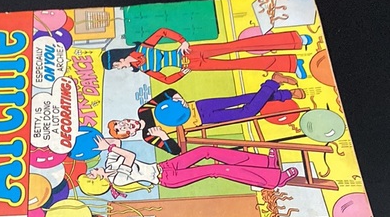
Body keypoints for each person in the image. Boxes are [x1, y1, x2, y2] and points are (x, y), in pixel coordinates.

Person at [107, 72, 305, 155]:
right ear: (130, 134)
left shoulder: (143, 110)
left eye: (122, 123)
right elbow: (176, 151)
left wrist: (177, 97)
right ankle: (276, 84)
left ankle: (285, 92)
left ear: (125, 119)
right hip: (204, 119)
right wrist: (164, 136)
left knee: (242, 99)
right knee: (248, 111)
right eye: (124, 130)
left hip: (200, 105)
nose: (126, 126)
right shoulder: (148, 136)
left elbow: (168, 93)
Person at [77, 137, 298, 198]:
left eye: (90, 171)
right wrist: (110, 148)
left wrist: (103, 144)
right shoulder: (118, 180)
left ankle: (265, 163)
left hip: (164, 166)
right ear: (99, 181)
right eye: (91, 174)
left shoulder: (109, 163)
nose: (92, 170)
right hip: (168, 178)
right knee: (214, 170)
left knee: (206, 151)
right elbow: (130, 155)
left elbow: (117, 143)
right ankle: (272, 180)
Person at [100, 28, 312, 83]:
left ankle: (295, 40)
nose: (120, 68)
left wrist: (182, 41)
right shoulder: (144, 69)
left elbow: (162, 32)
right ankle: (291, 64)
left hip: (192, 51)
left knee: (237, 46)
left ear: (119, 58)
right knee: (238, 64)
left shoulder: (144, 48)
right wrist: (183, 72)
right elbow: (166, 80)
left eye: (117, 66)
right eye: (117, 69)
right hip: (192, 65)